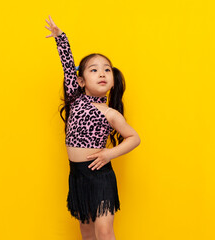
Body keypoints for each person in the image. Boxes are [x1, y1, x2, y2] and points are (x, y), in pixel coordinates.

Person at [45, 15, 141, 240]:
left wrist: (110, 153)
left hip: (100, 176)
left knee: (104, 230)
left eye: (107, 70)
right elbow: (69, 66)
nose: (102, 74)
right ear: (80, 81)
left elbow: (134, 137)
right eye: (94, 70)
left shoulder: (111, 113)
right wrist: (61, 38)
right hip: (77, 175)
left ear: (113, 80)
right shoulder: (75, 98)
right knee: (86, 230)